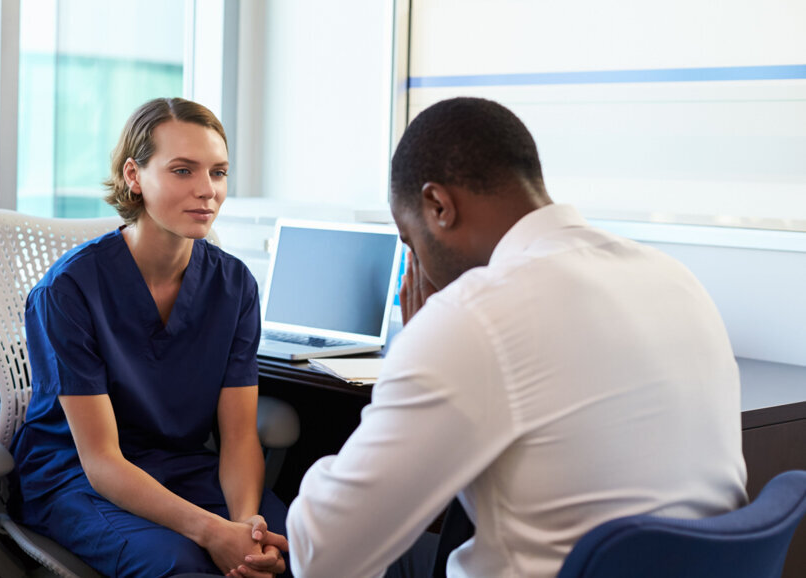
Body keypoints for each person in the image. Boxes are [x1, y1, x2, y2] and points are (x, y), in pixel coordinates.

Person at [284, 97, 748, 577]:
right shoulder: (676, 280)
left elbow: (323, 558)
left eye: (409, 240)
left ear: (439, 206)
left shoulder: (473, 317)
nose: (417, 264)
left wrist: (415, 348)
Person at [10, 97, 289, 578]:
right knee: (183, 565)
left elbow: (240, 436)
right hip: (79, 480)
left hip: (183, 469)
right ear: (134, 176)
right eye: (182, 171)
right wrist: (212, 532)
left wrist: (246, 525)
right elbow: (102, 461)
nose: (207, 190)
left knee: (302, 550)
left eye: (218, 173)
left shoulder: (234, 286)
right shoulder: (69, 291)